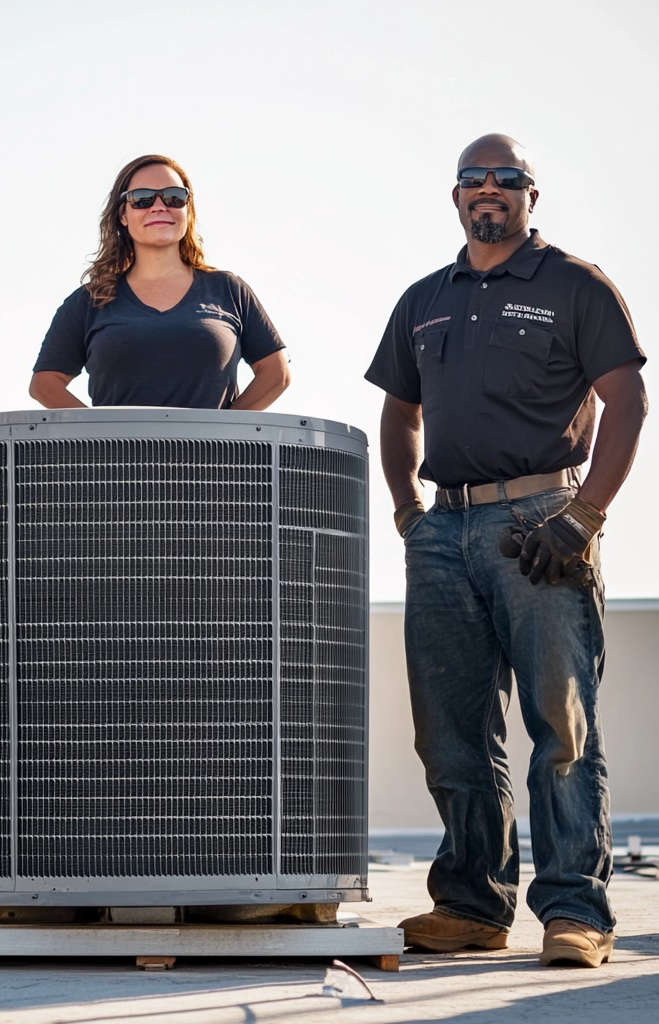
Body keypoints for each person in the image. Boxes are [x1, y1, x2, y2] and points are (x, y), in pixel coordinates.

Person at [365, 134, 647, 968]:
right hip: (442, 533)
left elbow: (628, 402)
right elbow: (398, 411)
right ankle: (473, 905)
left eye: (507, 179)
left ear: (531, 195)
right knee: (450, 730)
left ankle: (576, 912)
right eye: (473, 180)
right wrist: (408, 513)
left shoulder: (575, 285)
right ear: (455, 197)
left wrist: (585, 515)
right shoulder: (425, 299)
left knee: (561, 725)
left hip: (542, 526)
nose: (490, 190)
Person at [29, 154, 290, 410]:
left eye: (173, 197)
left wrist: (226, 433)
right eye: (142, 199)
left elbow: (276, 373)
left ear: (187, 210)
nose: (159, 206)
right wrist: (100, 438)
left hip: (211, 454)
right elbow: (44, 384)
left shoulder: (228, 290)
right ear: (123, 215)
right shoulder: (89, 300)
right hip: (119, 455)